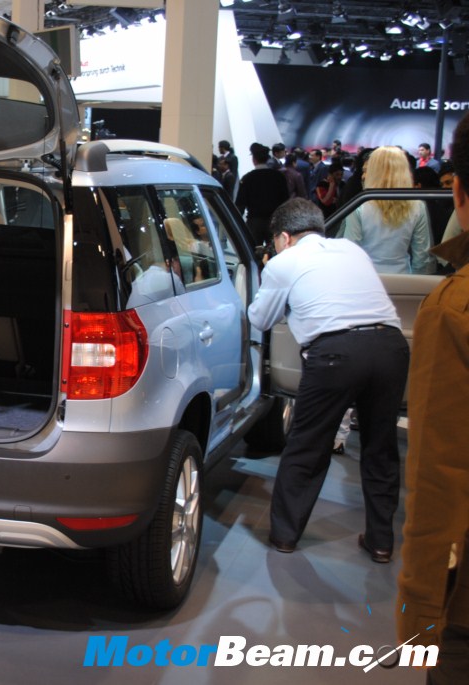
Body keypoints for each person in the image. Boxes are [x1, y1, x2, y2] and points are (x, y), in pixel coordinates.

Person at [248, 198, 408, 559]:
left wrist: (267, 273)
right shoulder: (352, 250)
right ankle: (381, 542)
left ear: (284, 237)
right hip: (390, 347)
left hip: (336, 353)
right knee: (380, 447)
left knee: (308, 444)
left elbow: (260, 318)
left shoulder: (284, 261)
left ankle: (285, 535)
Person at [397, 111, 469, 684]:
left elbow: (440, 476)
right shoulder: (417, 215)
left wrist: (418, 625)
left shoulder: (453, 309)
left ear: (459, 190)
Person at [341, 146, 434, 274]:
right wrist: (416, 283)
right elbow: (422, 257)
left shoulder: (359, 206)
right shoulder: (418, 206)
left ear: (374, 172)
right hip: (403, 279)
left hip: (368, 278)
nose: (363, 176)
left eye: (366, 170)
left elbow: (351, 252)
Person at [235, 143, 289, 246]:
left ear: (254, 160)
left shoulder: (248, 178)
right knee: (275, 250)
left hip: (254, 221)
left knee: (253, 251)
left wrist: (237, 223)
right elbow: (286, 200)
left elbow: (240, 203)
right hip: (275, 221)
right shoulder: (278, 177)